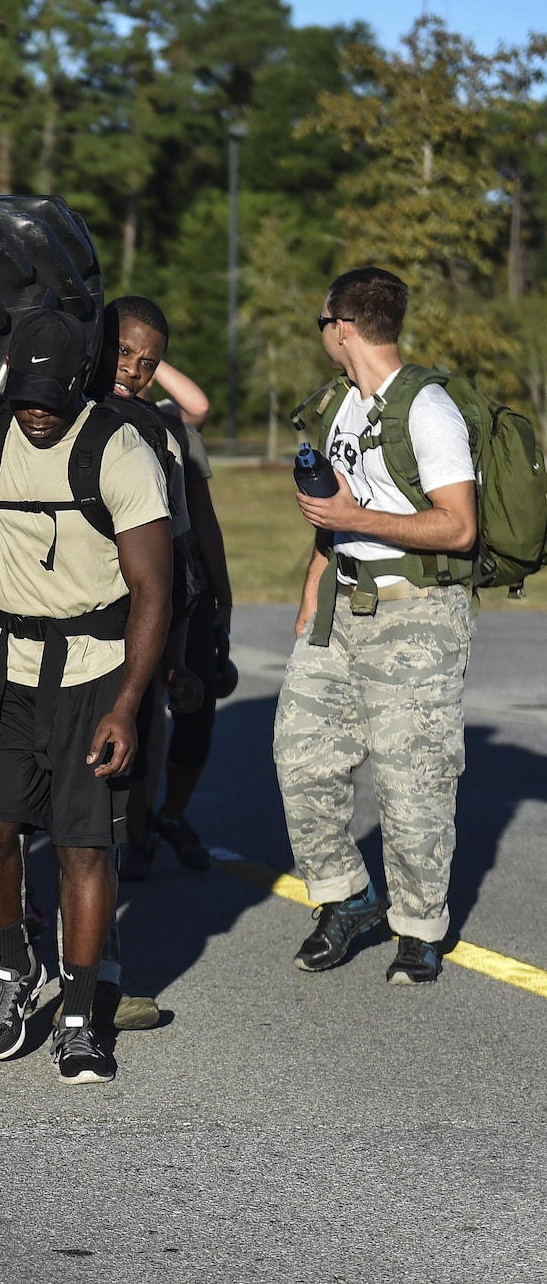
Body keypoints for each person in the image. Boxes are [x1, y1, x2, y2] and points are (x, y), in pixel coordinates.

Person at [0, 308, 173, 1086]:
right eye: (26, 397)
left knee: (83, 845)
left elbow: (154, 586)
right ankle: (13, 969)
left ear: (80, 382)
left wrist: (127, 702)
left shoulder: (119, 450)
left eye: (52, 397)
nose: (38, 412)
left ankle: (79, 1015)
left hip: (92, 668)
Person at [275, 267, 476, 986]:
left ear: (345, 327)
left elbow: (459, 525)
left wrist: (355, 519)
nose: (323, 335)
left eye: (323, 324)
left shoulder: (428, 410)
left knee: (413, 780)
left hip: (417, 615)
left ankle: (419, 926)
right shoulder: (343, 407)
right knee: (301, 759)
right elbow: (331, 522)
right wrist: (310, 596)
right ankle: (347, 896)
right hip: (340, 606)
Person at [103, 300, 231, 875]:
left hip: (179, 587)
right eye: (123, 353)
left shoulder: (168, 425)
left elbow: (197, 523)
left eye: (147, 362)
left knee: (186, 702)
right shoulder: (70, 413)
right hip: (112, 593)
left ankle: (164, 818)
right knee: (133, 710)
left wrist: (221, 597)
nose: (132, 369)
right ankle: (128, 828)